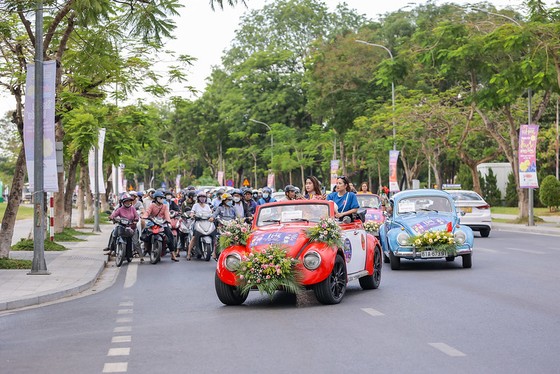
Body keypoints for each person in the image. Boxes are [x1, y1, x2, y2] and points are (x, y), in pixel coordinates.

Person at [142, 190, 178, 262]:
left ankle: (173, 254)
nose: (161, 199)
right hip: (153, 222)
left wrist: (168, 221)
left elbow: (167, 214)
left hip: (162, 223)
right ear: (155, 199)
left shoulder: (164, 206)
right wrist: (145, 216)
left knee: (170, 235)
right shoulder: (152, 205)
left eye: (162, 198)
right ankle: (146, 247)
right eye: (160, 198)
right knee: (145, 233)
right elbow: (147, 212)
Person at [108, 194, 140, 261]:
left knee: (131, 239)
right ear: (123, 202)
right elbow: (114, 215)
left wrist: (135, 220)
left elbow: (137, 216)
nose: (128, 203)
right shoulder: (120, 209)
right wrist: (111, 217)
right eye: (126, 201)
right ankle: (113, 249)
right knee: (114, 234)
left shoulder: (132, 208)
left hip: (130, 226)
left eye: (129, 201)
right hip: (121, 226)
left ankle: (131, 253)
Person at [187, 190, 217, 261]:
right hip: (198, 222)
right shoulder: (195, 205)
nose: (202, 198)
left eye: (204, 197)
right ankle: (188, 253)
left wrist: (212, 217)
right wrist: (192, 215)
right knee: (194, 237)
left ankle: (214, 252)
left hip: (207, 222)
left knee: (214, 237)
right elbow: (192, 212)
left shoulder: (207, 206)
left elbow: (210, 213)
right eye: (201, 197)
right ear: (198, 198)